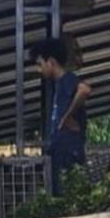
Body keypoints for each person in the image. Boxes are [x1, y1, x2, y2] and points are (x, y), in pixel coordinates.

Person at [31, 36, 92, 194]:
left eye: (40, 64)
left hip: (69, 150)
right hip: (60, 150)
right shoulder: (55, 85)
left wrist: (67, 117)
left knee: (70, 192)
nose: (38, 70)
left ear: (51, 62)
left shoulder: (67, 79)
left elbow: (84, 90)